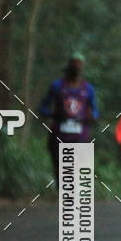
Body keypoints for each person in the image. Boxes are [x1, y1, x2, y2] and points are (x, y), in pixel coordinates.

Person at [38, 52, 99, 183]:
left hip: (80, 135)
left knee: (78, 168)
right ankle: (65, 195)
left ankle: (73, 195)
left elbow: (95, 111)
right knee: (60, 168)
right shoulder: (57, 86)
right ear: (69, 66)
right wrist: (54, 115)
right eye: (74, 63)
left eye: (79, 64)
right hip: (59, 134)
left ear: (82, 68)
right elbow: (43, 108)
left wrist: (90, 116)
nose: (76, 67)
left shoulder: (88, 89)